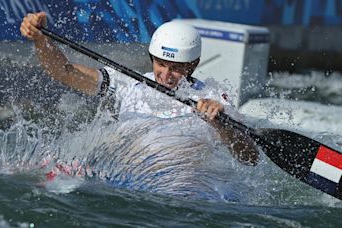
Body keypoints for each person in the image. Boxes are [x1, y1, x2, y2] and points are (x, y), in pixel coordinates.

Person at [20, 12, 259, 165]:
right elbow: (65, 72)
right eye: (161, 64)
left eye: (176, 68)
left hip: (182, 187)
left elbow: (250, 158)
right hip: (127, 175)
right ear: (151, 57)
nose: (166, 76)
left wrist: (221, 125)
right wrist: (41, 39)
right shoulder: (126, 82)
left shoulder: (213, 98)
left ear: (194, 64)